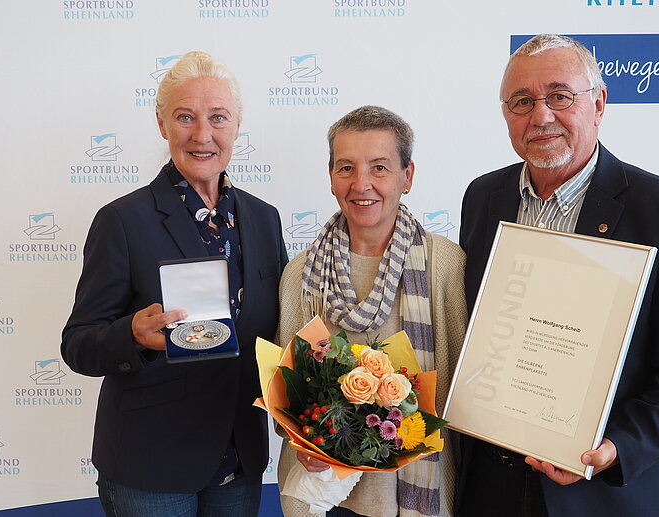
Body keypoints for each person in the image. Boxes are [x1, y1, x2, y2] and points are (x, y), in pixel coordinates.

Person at [455, 34, 659, 517]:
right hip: (489, 487)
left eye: (560, 96)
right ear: (506, 114)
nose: (541, 116)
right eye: (522, 101)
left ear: (598, 104)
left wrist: (617, 447)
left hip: (601, 494)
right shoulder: (483, 197)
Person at [61, 51, 288, 517]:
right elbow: (78, 344)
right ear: (162, 124)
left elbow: (279, 331)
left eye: (218, 118)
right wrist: (131, 336)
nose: (202, 135)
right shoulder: (122, 221)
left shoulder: (265, 219)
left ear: (237, 126)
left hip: (239, 459)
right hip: (152, 466)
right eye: (186, 117)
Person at [277, 105, 468, 517]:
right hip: (324, 500)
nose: (361, 183)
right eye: (346, 168)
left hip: (418, 495)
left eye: (379, 167)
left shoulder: (445, 265)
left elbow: (466, 391)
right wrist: (303, 439)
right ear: (330, 177)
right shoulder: (302, 275)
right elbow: (285, 393)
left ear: (407, 176)